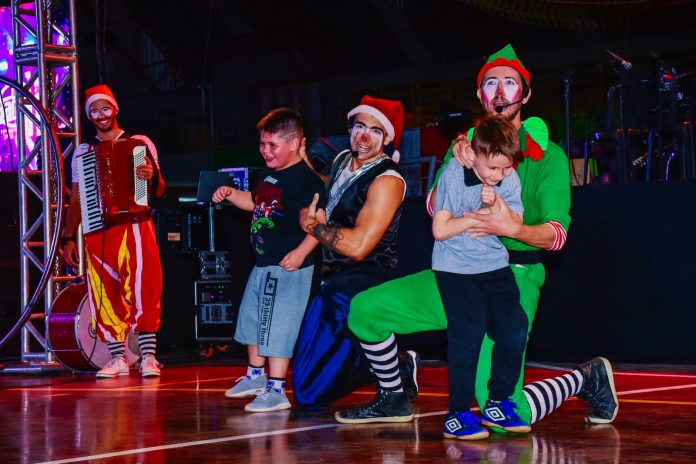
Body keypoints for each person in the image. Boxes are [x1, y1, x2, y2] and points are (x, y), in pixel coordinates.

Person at [336, 44, 619, 428]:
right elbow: (434, 208)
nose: (499, 92)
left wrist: (513, 228)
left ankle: (586, 378)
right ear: (480, 96)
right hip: (458, 270)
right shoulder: (464, 149)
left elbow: (556, 236)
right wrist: (458, 167)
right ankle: (394, 397)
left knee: (500, 413)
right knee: (366, 310)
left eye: (509, 83)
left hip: (514, 275)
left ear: (526, 94)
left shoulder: (548, 156)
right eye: (490, 83)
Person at [290, 95, 407, 410]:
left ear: (387, 139)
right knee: (307, 380)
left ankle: (394, 365)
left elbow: (358, 247)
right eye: (360, 127)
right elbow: (335, 193)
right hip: (334, 276)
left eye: (375, 131)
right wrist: (303, 162)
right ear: (350, 129)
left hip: (367, 278)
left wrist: (312, 226)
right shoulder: (342, 159)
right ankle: (396, 364)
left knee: (308, 392)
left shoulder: (388, 180)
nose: (365, 137)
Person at [212, 108, 326, 412]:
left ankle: (277, 389)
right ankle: (255, 376)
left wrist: (301, 253)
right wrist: (230, 193)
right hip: (263, 263)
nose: (265, 150)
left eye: (273, 145)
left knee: (278, 325)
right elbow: (255, 202)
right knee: (253, 319)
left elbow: (320, 224)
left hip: (289, 267)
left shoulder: (307, 181)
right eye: (262, 144)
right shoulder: (268, 175)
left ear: (295, 143)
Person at [431, 115, 530, 439]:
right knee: (468, 334)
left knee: (515, 328)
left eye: (506, 168)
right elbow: (440, 230)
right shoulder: (454, 173)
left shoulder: (507, 176)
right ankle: (457, 414)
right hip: (455, 269)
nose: (500, 175)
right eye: (493, 168)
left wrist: (497, 203)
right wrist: (481, 216)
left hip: (495, 265)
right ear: (473, 154)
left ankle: (497, 402)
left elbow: (515, 221)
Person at [61, 84, 166, 378]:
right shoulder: (84, 153)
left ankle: (148, 357)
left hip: (136, 224)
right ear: (89, 116)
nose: (101, 115)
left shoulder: (139, 143)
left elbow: (158, 187)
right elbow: (77, 198)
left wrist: (150, 175)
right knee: (104, 293)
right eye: (94, 111)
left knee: (145, 287)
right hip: (99, 229)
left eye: (105, 108)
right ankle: (118, 357)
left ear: (115, 109)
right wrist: (69, 236)